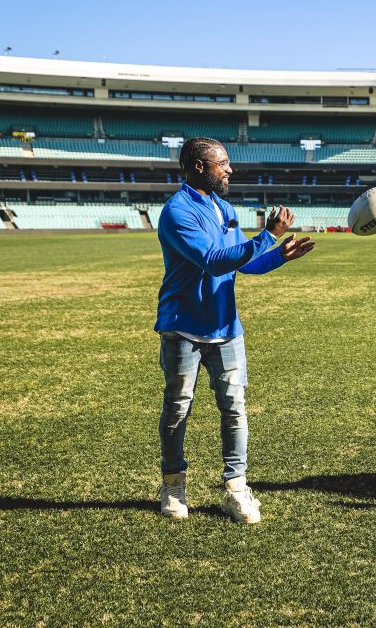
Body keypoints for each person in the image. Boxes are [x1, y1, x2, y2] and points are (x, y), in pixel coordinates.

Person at [153, 137, 315, 522]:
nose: (230, 169)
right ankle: (173, 485)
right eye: (222, 163)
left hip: (226, 327)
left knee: (235, 409)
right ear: (198, 167)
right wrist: (267, 237)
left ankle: (236, 488)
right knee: (178, 409)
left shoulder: (223, 207)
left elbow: (242, 262)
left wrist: (276, 255)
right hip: (183, 327)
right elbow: (212, 261)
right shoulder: (177, 212)